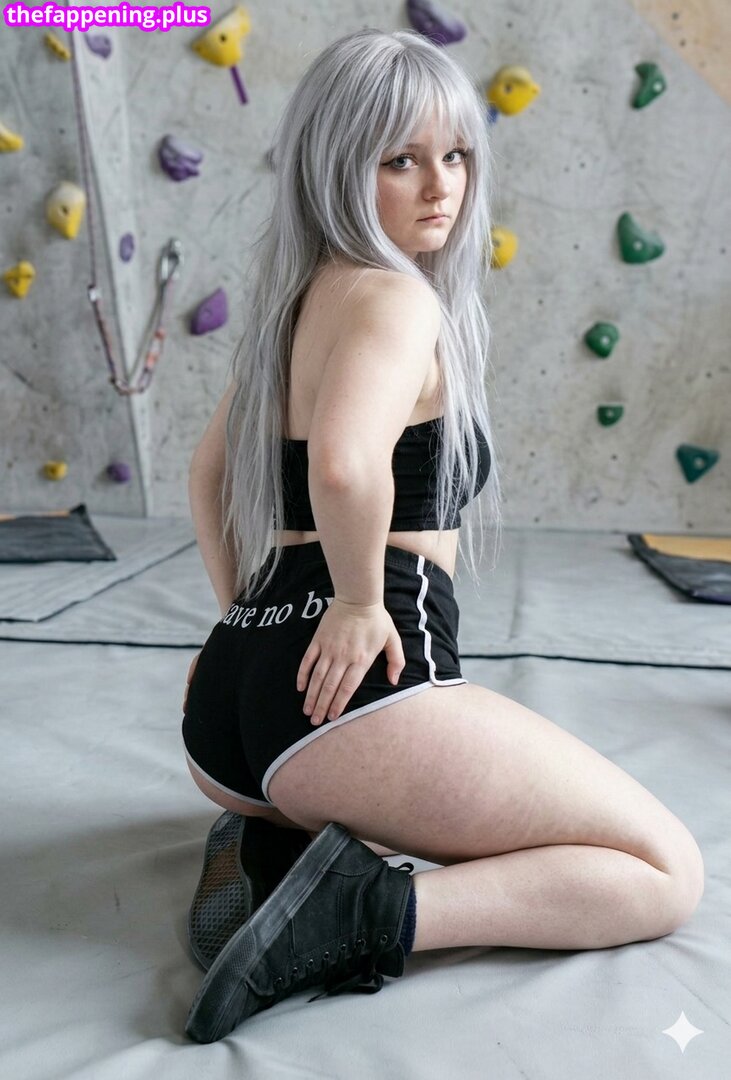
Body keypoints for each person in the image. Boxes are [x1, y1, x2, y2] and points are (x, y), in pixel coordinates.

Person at [181, 28, 704, 1042]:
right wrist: (356, 603)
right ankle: (361, 912)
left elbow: (208, 475)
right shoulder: (395, 298)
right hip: (345, 696)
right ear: (337, 167)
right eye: (400, 160)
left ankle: (272, 843)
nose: (440, 186)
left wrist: (241, 621)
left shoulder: (298, 300)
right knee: (659, 870)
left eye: (455, 154)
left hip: (225, 719)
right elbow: (343, 464)